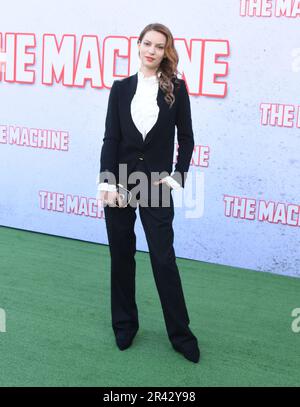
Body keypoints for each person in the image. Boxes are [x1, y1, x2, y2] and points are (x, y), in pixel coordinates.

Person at [97, 23, 200, 363]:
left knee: (163, 259)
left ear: (165, 51)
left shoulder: (177, 89)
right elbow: (111, 138)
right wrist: (106, 182)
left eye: (159, 46)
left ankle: (181, 335)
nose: (152, 50)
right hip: (121, 183)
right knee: (122, 257)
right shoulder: (120, 88)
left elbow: (186, 138)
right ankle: (124, 326)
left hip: (156, 185)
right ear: (138, 45)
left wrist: (177, 177)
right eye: (147, 43)